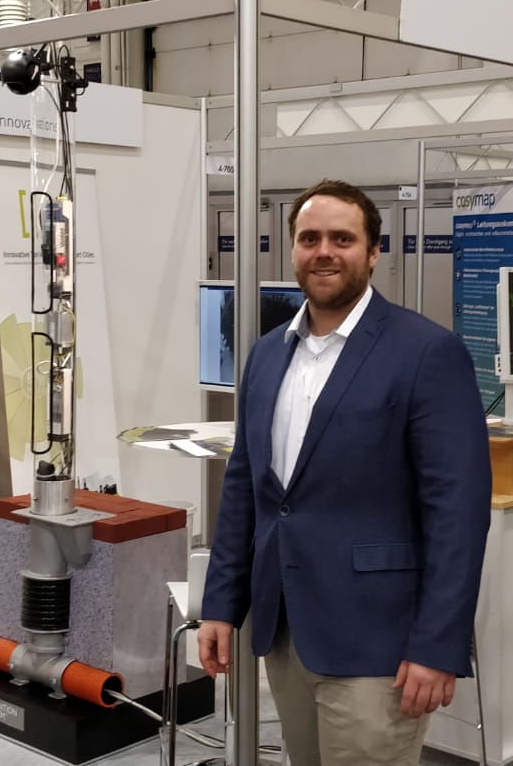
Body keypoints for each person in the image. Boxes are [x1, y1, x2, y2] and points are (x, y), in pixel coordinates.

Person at [197, 179, 491, 766]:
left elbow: (458, 514)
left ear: (374, 251)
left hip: (378, 644)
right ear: (292, 249)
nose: (323, 252)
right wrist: (221, 604)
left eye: (342, 238)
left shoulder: (426, 352)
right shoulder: (267, 354)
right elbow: (246, 489)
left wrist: (437, 644)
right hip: (287, 634)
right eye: (309, 238)